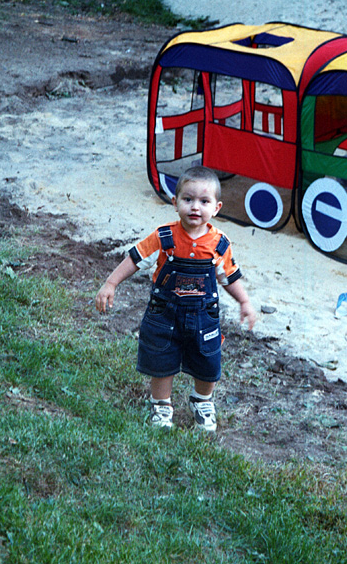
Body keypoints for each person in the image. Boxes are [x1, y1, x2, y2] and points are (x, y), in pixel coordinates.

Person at [95, 165, 256, 432]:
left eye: (204, 201)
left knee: (208, 360)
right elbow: (134, 259)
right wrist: (111, 283)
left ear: (216, 208)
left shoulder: (219, 244)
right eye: (188, 199)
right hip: (164, 313)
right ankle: (161, 405)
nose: (195, 207)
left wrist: (244, 301)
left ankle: (202, 400)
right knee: (161, 359)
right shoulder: (163, 237)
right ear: (175, 202)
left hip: (204, 317)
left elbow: (228, 276)